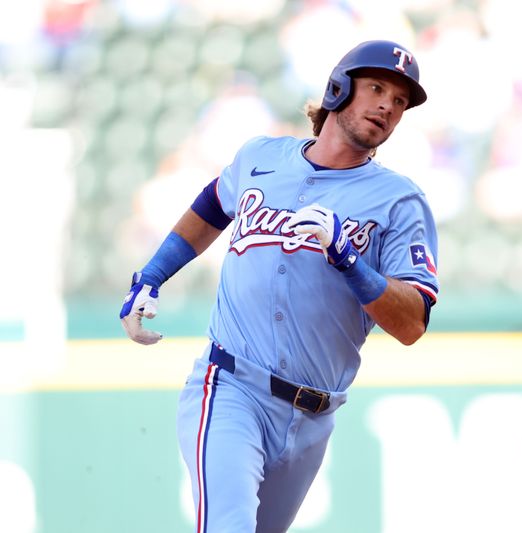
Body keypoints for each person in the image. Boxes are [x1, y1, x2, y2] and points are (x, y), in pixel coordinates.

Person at [119, 40, 439, 532]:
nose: (387, 107)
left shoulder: (399, 201)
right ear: (339, 88)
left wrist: (349, 260)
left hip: (313, 415)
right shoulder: (261, 157)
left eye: (399, 102)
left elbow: (412, 323)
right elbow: (211, 207)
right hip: (231, 387)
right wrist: (154, 274)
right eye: (377, 88)